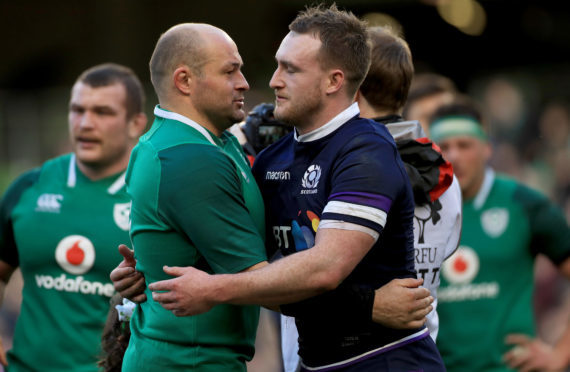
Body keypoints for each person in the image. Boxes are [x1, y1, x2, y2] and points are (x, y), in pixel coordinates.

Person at [146, 6, 445, 371]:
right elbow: (253, 272)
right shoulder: (272, 161)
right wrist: (148, 265)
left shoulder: (367, 151)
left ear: (334, 81)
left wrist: (212, 289)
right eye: (277, 65)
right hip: (312, 363)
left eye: (291, 69)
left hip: (385, 360)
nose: (273, 80)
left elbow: (324, 269)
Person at [278, 25, 462, 372]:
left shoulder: (343, 168)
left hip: (342, 358)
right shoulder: (447, 175)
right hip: (416, 351)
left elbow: (309, 275)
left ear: (351, 86)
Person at [116, 23, 269, 371]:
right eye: (230, 71)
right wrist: (370, 306)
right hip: (190, 360)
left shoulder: (207, 141)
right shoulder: (189, 157)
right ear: (184, 81)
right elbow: (262, 282)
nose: (244, 82)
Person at [0, 63, 147, 371]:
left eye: (102, 112)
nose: (85, 123)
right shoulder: (30, 187)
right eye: (77, 110)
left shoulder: (152, 197)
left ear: (136, 123)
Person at [430, 96, 570, 372]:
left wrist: (560, 354)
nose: (454, 155)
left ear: (487, 148)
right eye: (445, 146)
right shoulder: (418, 209)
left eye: (465, 145)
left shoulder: (524, 204)